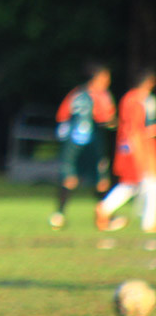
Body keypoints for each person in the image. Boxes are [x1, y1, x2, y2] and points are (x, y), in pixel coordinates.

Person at [49, 62, 116, 230]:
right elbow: (104, 118)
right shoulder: (100, 95)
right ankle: (104, 216)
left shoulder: (75, 94)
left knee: (70, 177)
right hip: (92, 143)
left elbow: (62, 115)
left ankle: (59, 215)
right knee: (101, 180)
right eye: (106, 77)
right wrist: (114, 123)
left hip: (72, 142)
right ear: (98, 78)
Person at [94, 69, 156, 233]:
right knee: (149, 182)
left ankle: (105, 208)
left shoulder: (132, 98)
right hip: (135, 148)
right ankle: (149, 222)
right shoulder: (135, 100)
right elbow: (134, 129)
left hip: (133, 147)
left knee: (133, 184)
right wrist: (139, 151)